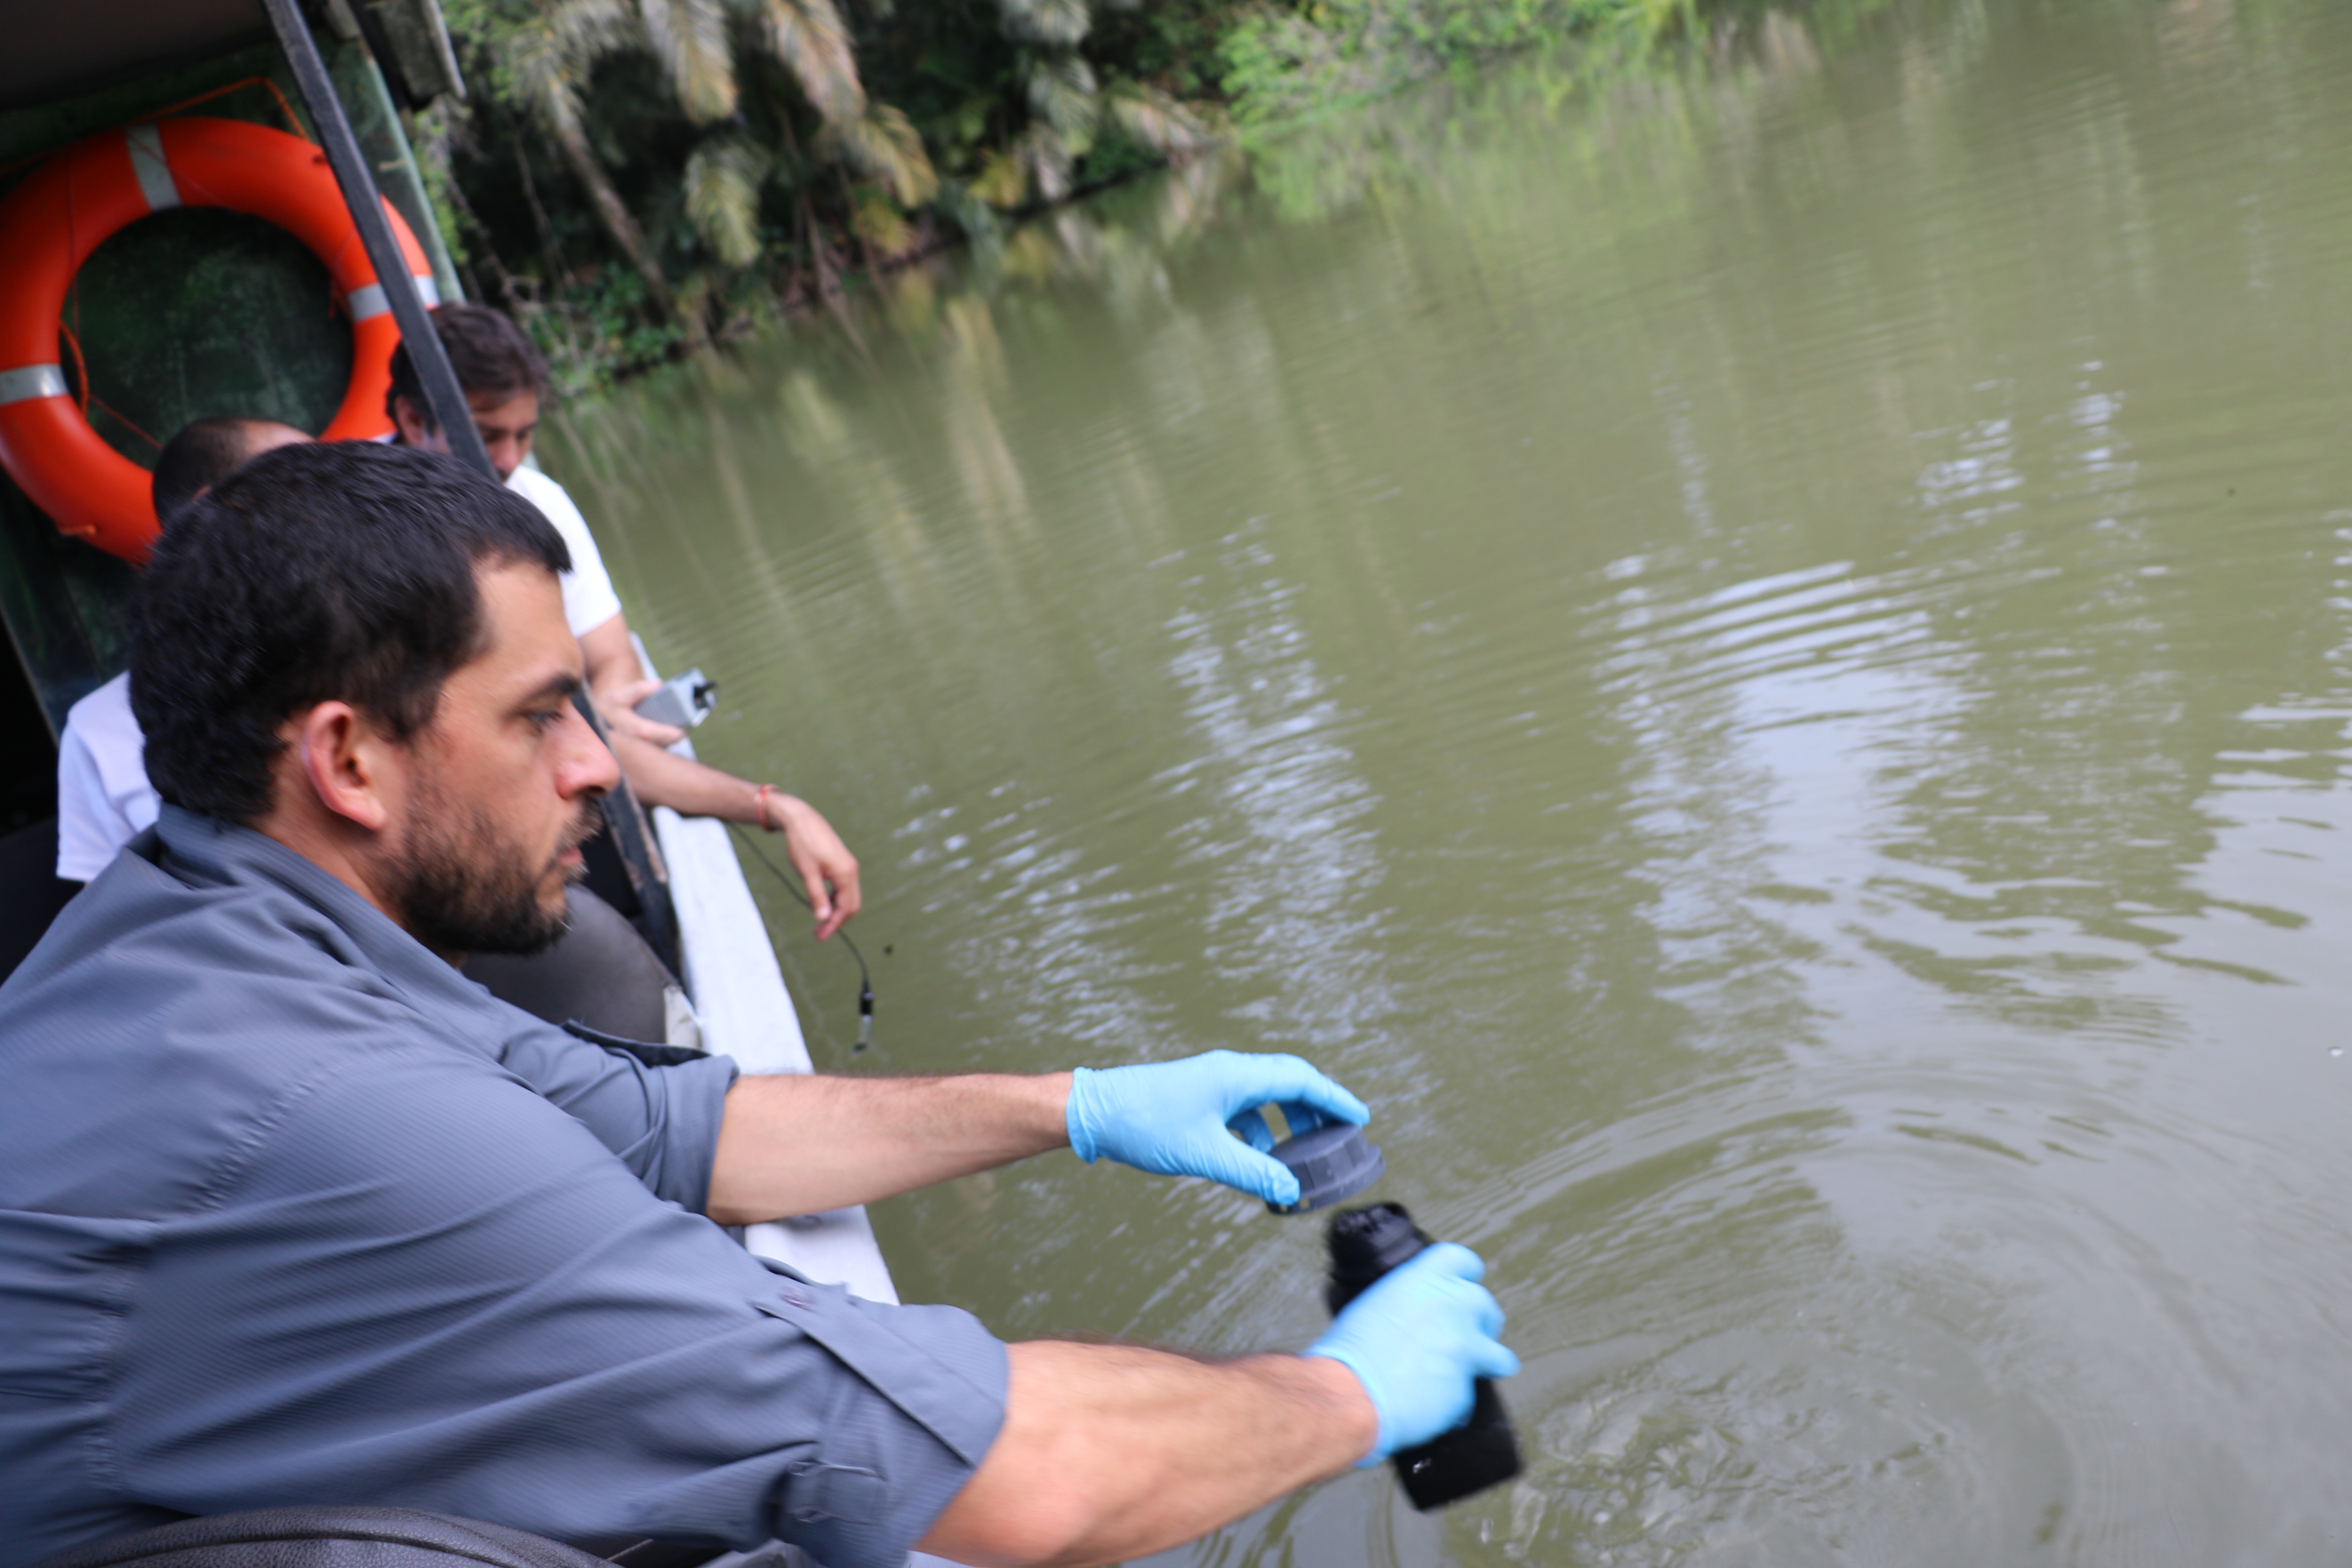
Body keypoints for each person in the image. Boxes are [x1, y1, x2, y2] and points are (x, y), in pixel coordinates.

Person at [0, 441, 1517, 1568]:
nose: (600, 765)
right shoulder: (335, 1119)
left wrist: (1085, 1104)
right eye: (539, 716)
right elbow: (1003, 1467)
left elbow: (681, 1127)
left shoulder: (195, 928)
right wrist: (1347, 1392)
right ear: (348, 761)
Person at [388, 304, 858, 940]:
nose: (509, 458)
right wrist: (768, 806)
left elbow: (612, 658)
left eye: (525, 435)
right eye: (488, 434)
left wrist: (603, 707)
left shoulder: (537, 500)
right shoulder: (369, 530)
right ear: (414, 420)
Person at [51, 416, 308, 883]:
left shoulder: (381, 644)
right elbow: (111, 911)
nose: (334, 502)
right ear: (220, 510)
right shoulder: (96, 729)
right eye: (306, 483)